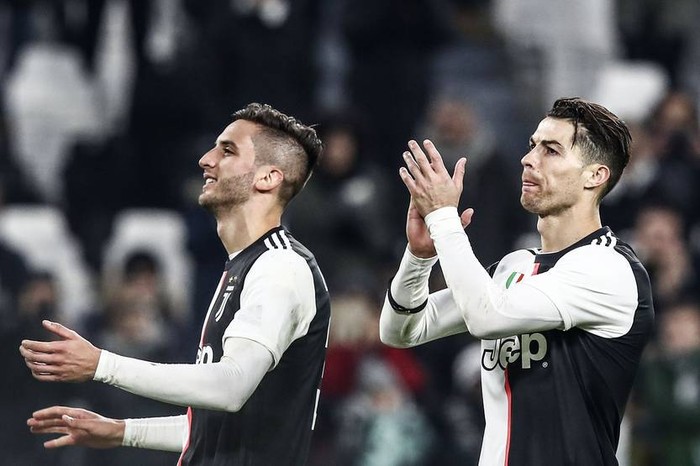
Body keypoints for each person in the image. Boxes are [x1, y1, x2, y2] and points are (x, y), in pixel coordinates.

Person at [19, 103, 331, 465]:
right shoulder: (244, 265)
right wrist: (123, 430)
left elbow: (230, 387)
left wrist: (102, 365)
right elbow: (218, 425)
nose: (205, 159)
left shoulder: (280, 266)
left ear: (268, 178)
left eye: (227, 150)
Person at [379, 97, 654, 465]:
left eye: (551, 150)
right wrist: (419, 257)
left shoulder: (608, 268)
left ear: (595, 175)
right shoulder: (515, 265)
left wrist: (444, 218)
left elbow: (487, 317)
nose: (529, 159)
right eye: (531, 146)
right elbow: (402, 329)